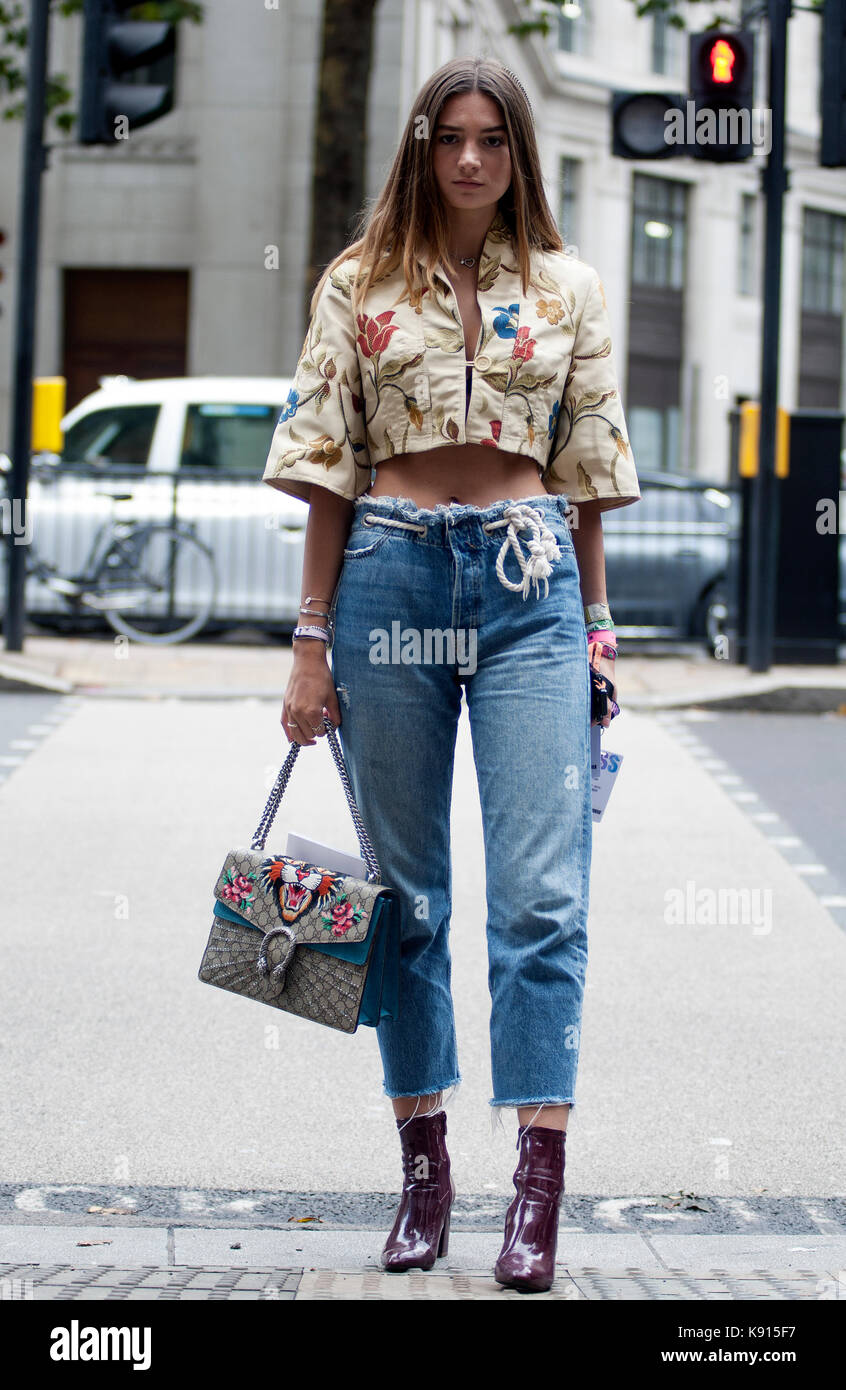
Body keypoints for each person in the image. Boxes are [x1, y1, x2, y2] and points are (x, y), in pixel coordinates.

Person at [261, 56, 640, 1293]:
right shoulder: (356, 285)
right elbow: (326, 468)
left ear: (520, 152)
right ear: (421, 148)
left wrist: (595, 634)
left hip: (531, 586)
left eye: (493, 139)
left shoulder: (571, 289)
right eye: (449, 139)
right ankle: (425, 1170)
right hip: (390, 580)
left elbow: (587, 481)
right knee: (409, 900)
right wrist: (309, 641)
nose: (471, 160)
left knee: (542, 900)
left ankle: (539, 1185)